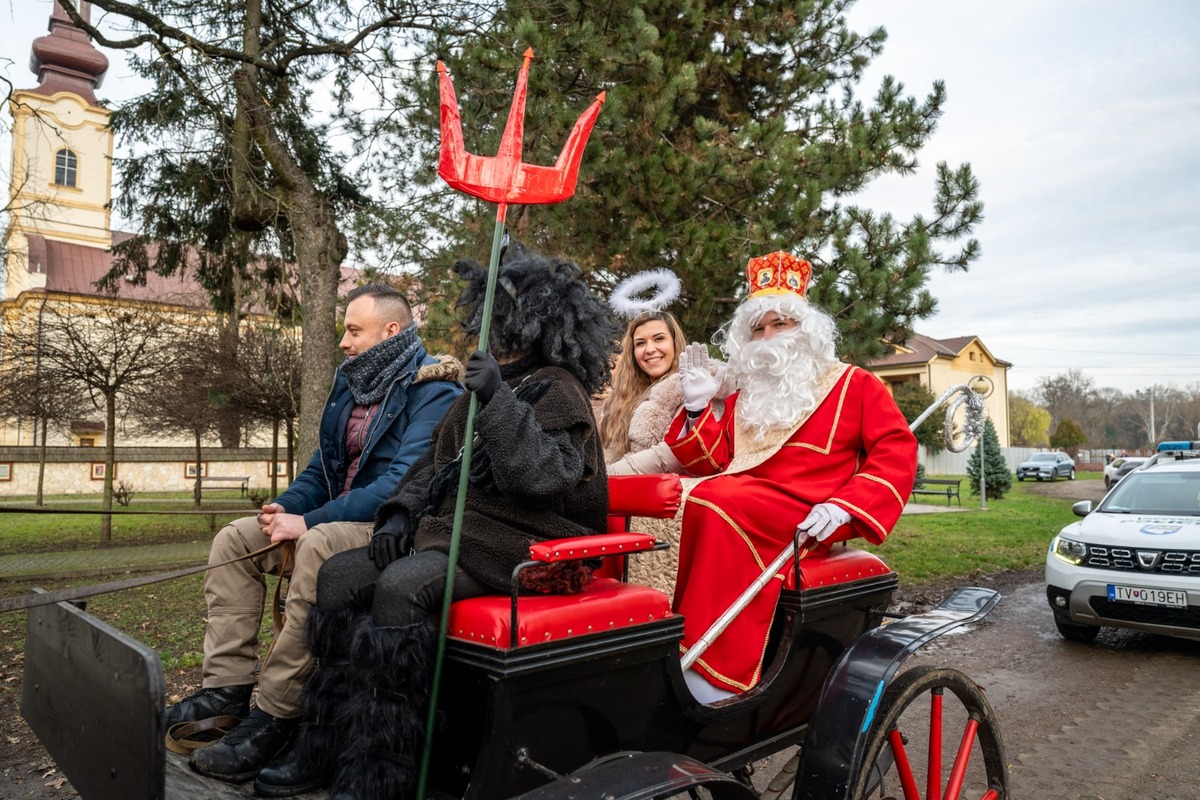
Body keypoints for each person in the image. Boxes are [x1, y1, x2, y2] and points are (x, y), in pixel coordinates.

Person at [252, 242, 620, 799]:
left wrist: (498, 400)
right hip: (455, 533)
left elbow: (543, 477)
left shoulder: (558, 390)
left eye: (504, 317)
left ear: (538, 322)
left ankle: (382, 772)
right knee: (339, 576)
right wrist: (399, 514)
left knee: (400, 587)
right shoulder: (478, 387)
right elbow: (431, 465)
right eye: (489, 315)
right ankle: (322, 745)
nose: (491, 327)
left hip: (527, 545)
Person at [171, 284, 463, 783]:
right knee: (235, 540)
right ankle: (228, 690)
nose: (344, 342)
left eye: (354, 330)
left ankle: (277, 715)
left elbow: (404, 482)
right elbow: (322, 470)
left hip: (393, 526)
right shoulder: (349, 386)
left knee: (316, 545)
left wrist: (307, 522)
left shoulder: (433, 388)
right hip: (331, 517)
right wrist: (287, 505)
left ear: (391, 330)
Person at [666, 251, 917, 704]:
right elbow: (712, 462)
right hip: (740, 496)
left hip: (807, 512)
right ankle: (656, 639)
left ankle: (711, 668)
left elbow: (896, 451)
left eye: (779, 325)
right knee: (660, 498)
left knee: (714, 501)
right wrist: (699, 410)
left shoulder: (852, 384)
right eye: (757, 329)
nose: (766, 338)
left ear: (806, 330)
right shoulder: (747, 395)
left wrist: (846, 507)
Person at [598, 308, 731, 596]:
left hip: (672, 507)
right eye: (640, 343)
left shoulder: (697, 385)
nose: (650, 350)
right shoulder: (621, 398)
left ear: (675, 343)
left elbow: (671, 454)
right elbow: (604, 449)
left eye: (659, 339)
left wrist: (603, 479)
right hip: (623, 497)